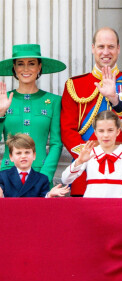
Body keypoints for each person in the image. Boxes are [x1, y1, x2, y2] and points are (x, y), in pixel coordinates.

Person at [61, 27, 122, 196]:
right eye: (101, 47)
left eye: (111, 46)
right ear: (93, 48)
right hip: (86, 173)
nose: (106, 52)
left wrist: (116, 100)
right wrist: (89, 159)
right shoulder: (75, 85)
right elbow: (67, 131)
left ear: (118, 49)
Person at [0, 44, 66, 185]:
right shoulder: (3, 99)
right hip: (7, 176)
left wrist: (44, 177)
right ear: (14, 68)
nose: (25, 69)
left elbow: (56, 143)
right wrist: (1, 113)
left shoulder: (54, 101)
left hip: (40, 173)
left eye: (31, 63)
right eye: (20, 64)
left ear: (39, 67)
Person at [61, 110, 122, 198]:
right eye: (101, 131)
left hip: (117, 207)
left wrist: (118, 205)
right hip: (91, 206)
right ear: (95, 132)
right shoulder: (90, 152)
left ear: (118, 131)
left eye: (110, 130)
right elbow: (65, 179)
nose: (105, 135)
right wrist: (79, 161)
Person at [0, 134, 70, 197]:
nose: (23, 156)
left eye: (27, 152)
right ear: (11, 157)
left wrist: (49, 195)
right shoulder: (3, 176)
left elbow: (43, 203)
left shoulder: (42, 179)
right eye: (18, 153)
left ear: (34, 155)